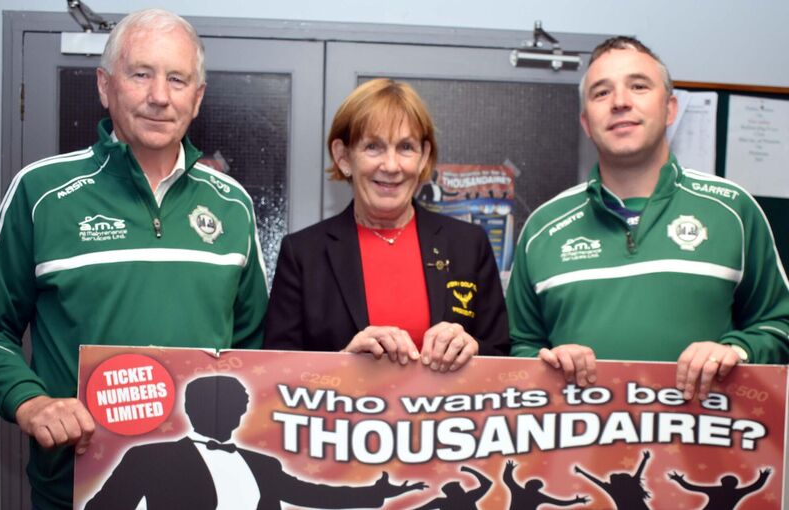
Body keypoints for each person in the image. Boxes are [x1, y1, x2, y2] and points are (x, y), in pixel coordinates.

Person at [0, 9, 268, 509]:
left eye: (177, 79)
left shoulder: (233, 205)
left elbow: (257, 356)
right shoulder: (42, 193)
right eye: (141, 74)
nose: (159, 96)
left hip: (207, 495)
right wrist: (30, 401)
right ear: (105, 85)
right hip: (76, 489)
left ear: (197, 98)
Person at [505, 36, 789, 399]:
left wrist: (735, 351)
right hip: (576, 449)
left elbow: (779, 325)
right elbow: (515, 348)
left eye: (638, 86)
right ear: (586, 122)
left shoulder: (733, 210)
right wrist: (546, 365)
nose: (621, 102)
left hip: (707, 448)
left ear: (670, 108)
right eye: (601, 93)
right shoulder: (542, 228)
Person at [264, 78, 508, 369]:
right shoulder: (304, 253)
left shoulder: (468, 244)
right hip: (345, 414)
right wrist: (344, 364)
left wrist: (473, 350)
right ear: (343, 157)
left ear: (424, 157)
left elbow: (503, 356)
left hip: (448, 415)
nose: (391, 166)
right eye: (373, 147)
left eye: (406, 147)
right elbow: (276, 372)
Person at [85, 375, 425, 509]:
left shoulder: (261, 463)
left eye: (240, 406)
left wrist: (378, 493)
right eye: (231, 404)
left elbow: (312, 494)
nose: (235, 413)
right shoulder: (149, 457)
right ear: (191, 408)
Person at [574, 451, 651, 510]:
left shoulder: (614, 490)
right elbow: (640, 471)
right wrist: (645, 458)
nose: (610, 481)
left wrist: (581, 472)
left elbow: (596, 481)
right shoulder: (631, 485)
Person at [668, 468, 771, 510]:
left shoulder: (716, 490)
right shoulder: (738, 492)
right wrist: (763, 476)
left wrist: (679, 480)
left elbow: (691, 487)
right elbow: (755, 487)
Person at [503, 460, 589, 509]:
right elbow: (560, 503)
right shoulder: (537, 496)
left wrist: (509, 469)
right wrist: (576, 501)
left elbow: (508, 480)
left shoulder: (519, 491)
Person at [412, 465, 492, 510]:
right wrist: (470, 470)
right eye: (459, 488)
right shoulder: (468, 497)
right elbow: (487, 483)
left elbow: (487, 483)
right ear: (454, 492)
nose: (462, 489)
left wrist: (470, 470)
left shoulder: (441, 501)